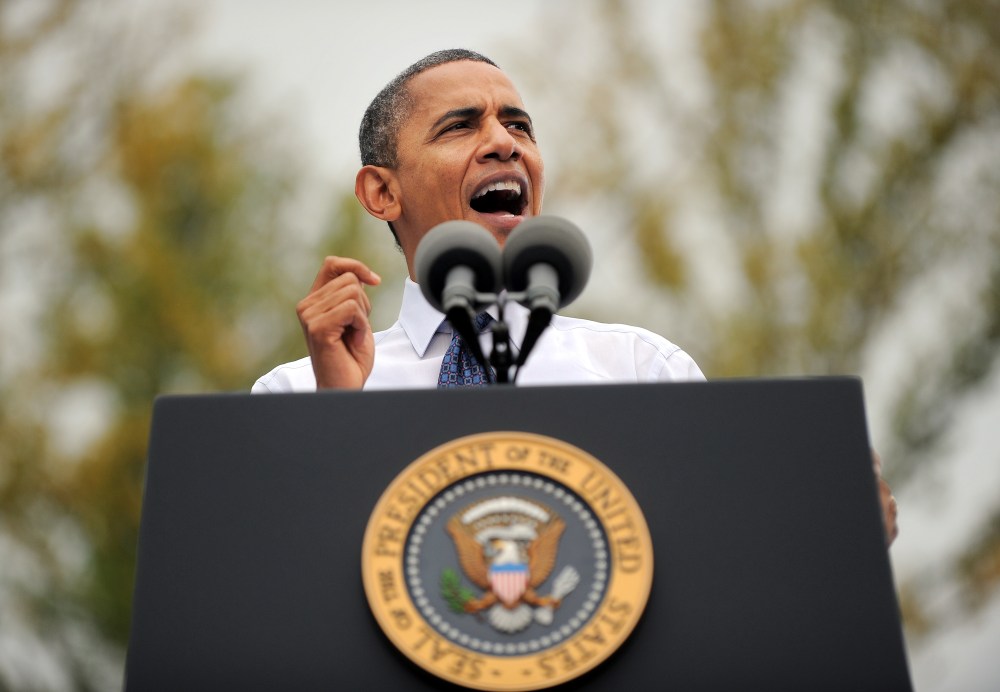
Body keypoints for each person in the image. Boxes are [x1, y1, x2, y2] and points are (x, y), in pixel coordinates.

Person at [252, 49, 898, 545]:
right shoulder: (298, 396)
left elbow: (723, 556)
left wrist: (834, 530)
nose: (505, 143)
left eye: (519, 126)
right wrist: (337, 418)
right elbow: (282, 594)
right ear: (381, 194)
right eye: (459, 127)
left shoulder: (641, 371)